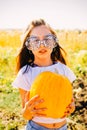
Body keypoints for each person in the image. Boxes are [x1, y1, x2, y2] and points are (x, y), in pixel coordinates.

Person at [12, 19, 76, 130]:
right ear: (29, 45)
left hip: (63, 127)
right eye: (35, 41)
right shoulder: (26, 73)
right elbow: (25, 114)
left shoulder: (64, 70)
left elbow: (69, 102)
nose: (42, 45)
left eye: (47, 39)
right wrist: (27, 111)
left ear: (54, 42)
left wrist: (72, 108)